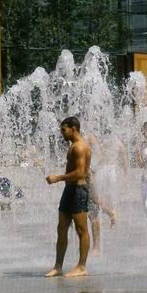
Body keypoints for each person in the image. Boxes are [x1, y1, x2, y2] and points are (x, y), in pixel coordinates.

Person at [45, 117, 91, 277]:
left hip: (78, 191)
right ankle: (58, 266)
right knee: (62, 228)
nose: (61, 133)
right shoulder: (73, 146)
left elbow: (81, 172)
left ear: (73, 128)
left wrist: (58, 178)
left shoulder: (80, 147)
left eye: (63, 130)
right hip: (69, 190)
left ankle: (81, 266)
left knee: (81, 229)